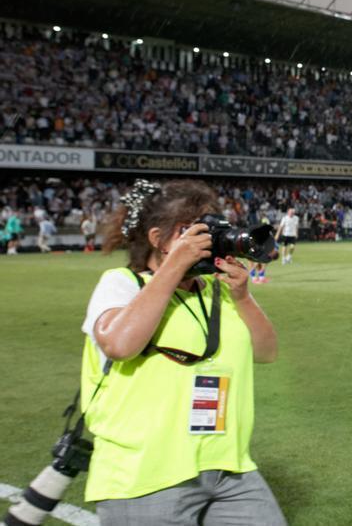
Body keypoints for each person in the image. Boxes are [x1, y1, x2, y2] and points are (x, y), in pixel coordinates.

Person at [82, 179, 284, 525]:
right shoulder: (122, 284)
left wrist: (243, 297)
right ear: (156, 239)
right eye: (189, 231)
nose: (204, 241)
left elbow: (266, 352)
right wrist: (174, 267)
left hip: (226, 465)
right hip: (145, 473)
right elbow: (119, 344)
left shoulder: (213, 292)